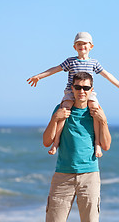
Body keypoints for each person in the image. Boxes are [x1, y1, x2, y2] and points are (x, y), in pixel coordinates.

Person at [27, 32, 119, 157]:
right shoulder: (71, 61)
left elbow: (107, 75)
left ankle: (97, 144)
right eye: (78, 44)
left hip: (89, 92)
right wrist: (39, 76)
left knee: (95, 111)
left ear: (91, 46)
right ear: (74, 47)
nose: (81, 46)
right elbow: (55, 69)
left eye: (84, 43)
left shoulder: (94, 62)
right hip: (71, 91)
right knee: (64, 111)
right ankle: (56, 143)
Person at [43, 72, 111, 222]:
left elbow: (106, 145)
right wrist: (55, 118)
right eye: (78, 87)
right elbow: (47, 142)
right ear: (71, 89)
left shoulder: (96, 112)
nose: (82, 91)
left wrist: (104, 121)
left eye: (86, 88)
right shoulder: (61, 109)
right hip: (62, 176)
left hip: (90, 176)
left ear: (91, 90)